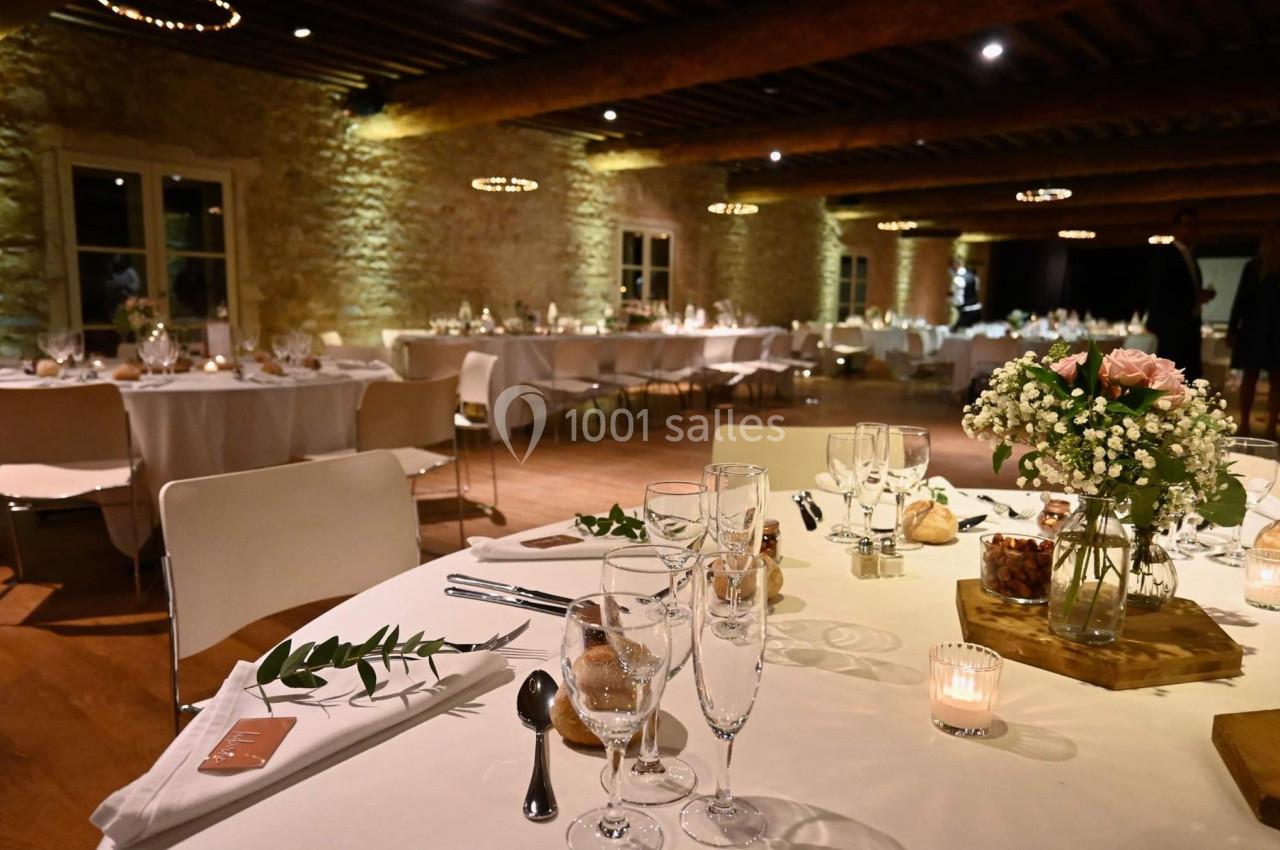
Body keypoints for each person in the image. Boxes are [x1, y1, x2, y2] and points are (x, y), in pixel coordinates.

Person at [1147, 208, 1214, 381]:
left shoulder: (1189, 255)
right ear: (1175, 228)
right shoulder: (1167, 254)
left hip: (1188, 325)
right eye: (1186, 225)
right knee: (1172, 373)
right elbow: (1162, 290)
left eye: (1194, 226)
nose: (1190, 230)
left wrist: (1199, 296)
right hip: (1173, 326)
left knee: (1188, 372)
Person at [1228, 225, 1280, 439]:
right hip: (1254, 329)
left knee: (1278, 379)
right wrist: (1233, 329)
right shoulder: (1254, 267)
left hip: (1278, 331)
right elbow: (1240, 300)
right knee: (1250, 376)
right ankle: (1245, 422)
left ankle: (1270, 426)